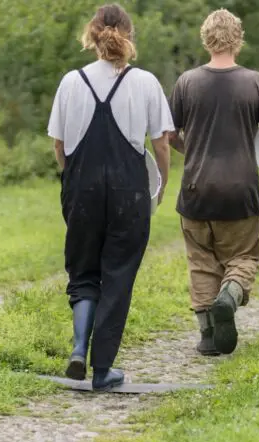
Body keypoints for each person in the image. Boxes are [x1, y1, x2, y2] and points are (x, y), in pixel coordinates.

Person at [49, 3, 173, 391]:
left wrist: (73, 180)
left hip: (82, 189)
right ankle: (102, 369)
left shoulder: (72, 82)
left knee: (83, 270)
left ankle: (76, 349)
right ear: (130, 35)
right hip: (128, 194)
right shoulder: (146, 82)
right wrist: (163, 181)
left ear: (91, 34)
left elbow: (59, 145)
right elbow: (162, 143)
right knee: (118, 275)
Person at [167, 9, 259, 357]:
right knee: (244, 255)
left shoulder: (187, 82)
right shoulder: (255, 82)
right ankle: (230, 294)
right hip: (240, 189)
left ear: (206, 39)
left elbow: (170, 134)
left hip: (196, 188)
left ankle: (206, 336)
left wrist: (191, 151)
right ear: (238, 39)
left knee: (201, 260)